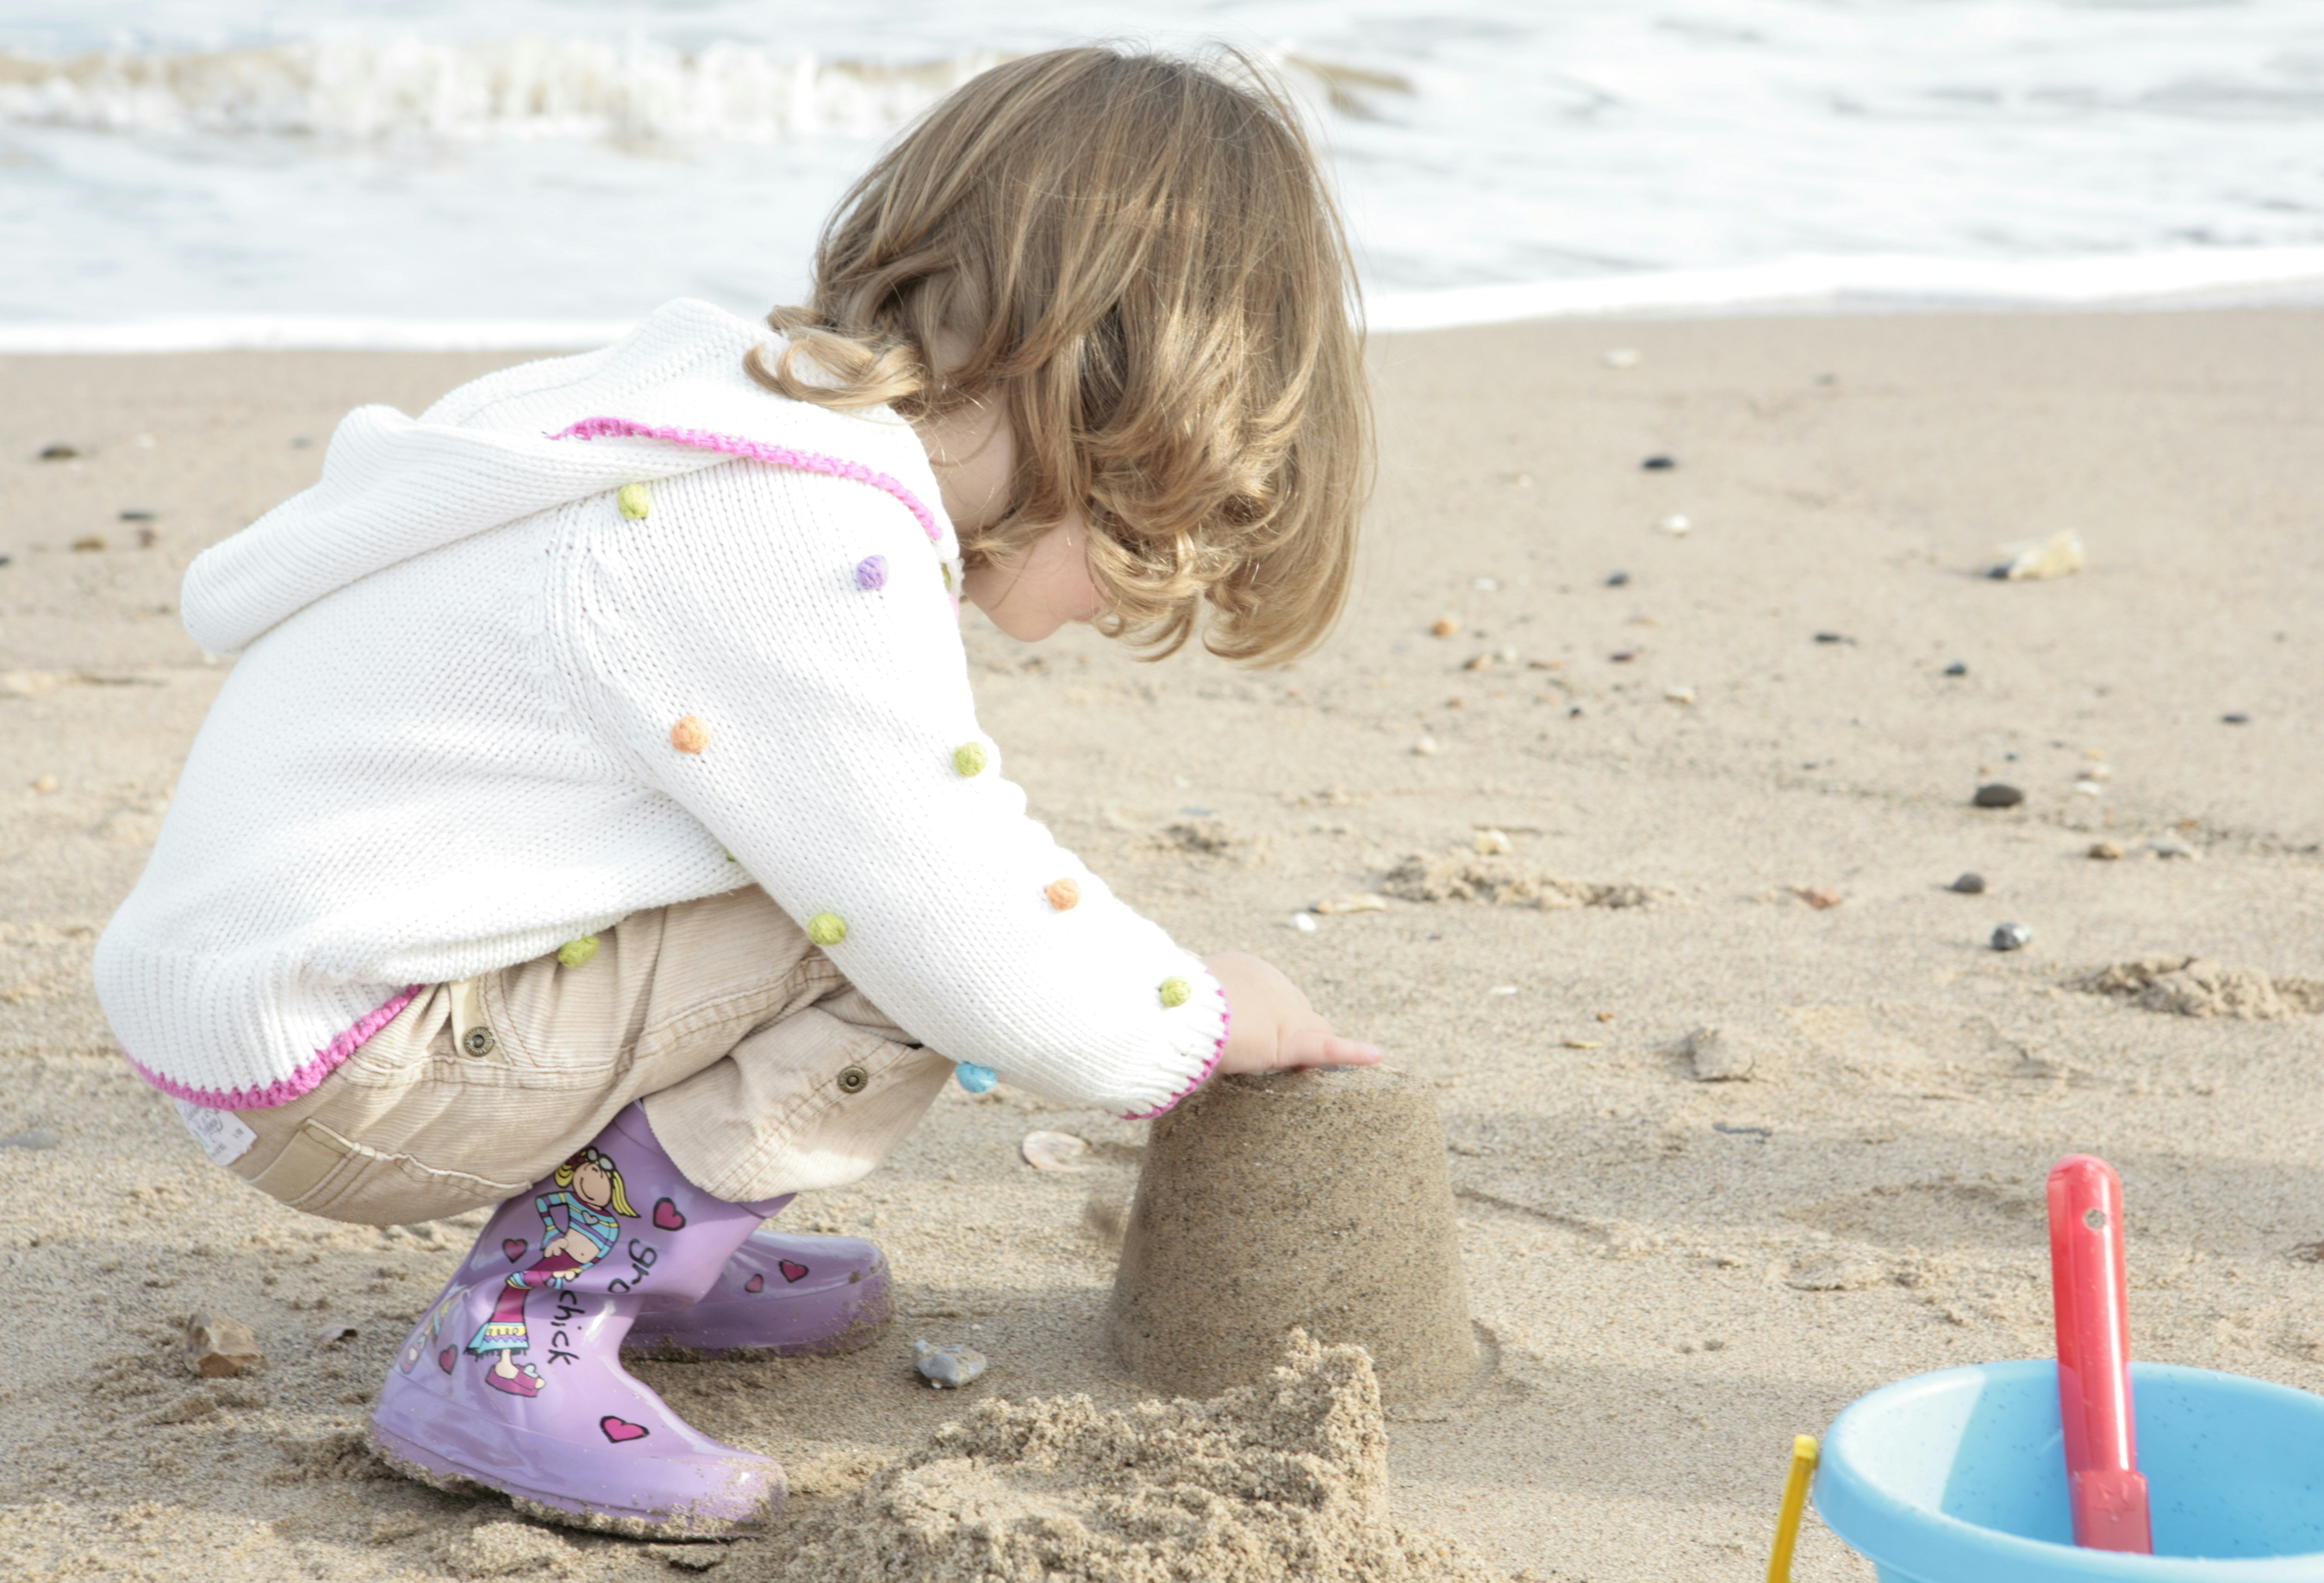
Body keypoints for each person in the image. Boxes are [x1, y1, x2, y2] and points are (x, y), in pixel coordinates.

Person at [92, 45, 1376, 1535]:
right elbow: (974, 943)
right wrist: (1198, 1011)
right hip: (351, 1057)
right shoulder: (798, 532)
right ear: (1134, 400)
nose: (1145, 589)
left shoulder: (710, 420)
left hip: (253, 998)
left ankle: (665, 1250)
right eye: (1167, 535)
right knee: (894, 934)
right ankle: (521, 1337)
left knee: (833, 857)